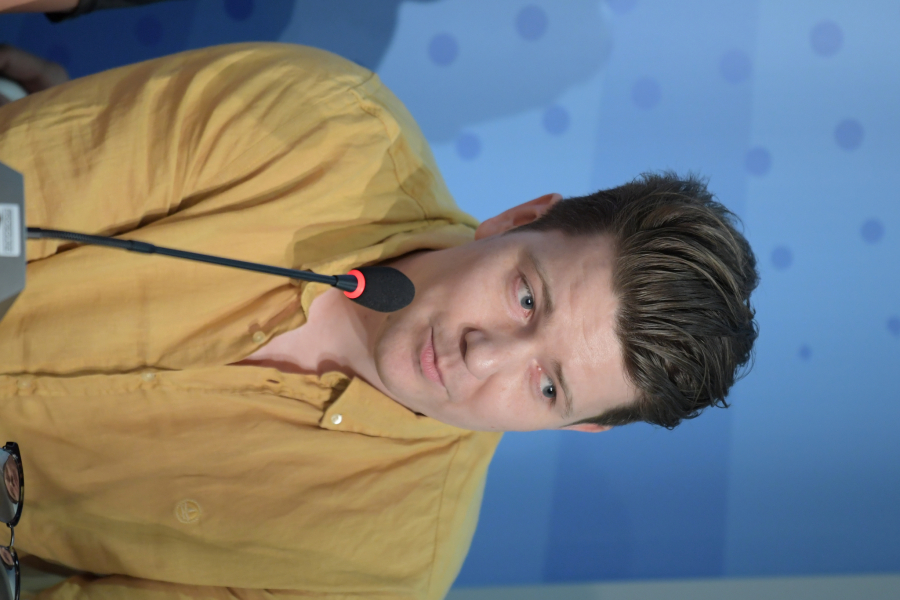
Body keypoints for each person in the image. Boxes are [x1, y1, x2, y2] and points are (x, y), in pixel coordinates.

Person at [0, 40, 758, 600]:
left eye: (548, 386)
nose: (484, 356)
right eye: (527, 298)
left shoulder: (386, 573)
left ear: (577, 427)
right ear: (517, 219)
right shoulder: (320, 121)